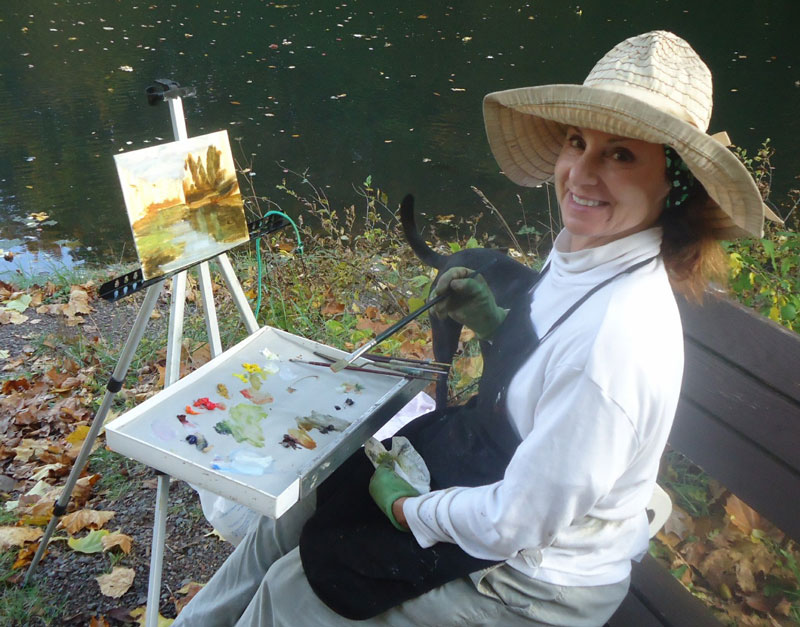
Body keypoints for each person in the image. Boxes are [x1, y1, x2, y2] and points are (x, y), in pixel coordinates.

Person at [174, 30, 768, 626]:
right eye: (577, 142)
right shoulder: (591, 252)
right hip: (492, 466)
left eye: (621, 154)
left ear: (678, 182)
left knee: (297, 589)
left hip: (534, 577)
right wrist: (495, 325)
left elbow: (519, 521)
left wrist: (409, 510)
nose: (580, 175)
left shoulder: (620, 338)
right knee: (293, 522)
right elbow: (546, 370)